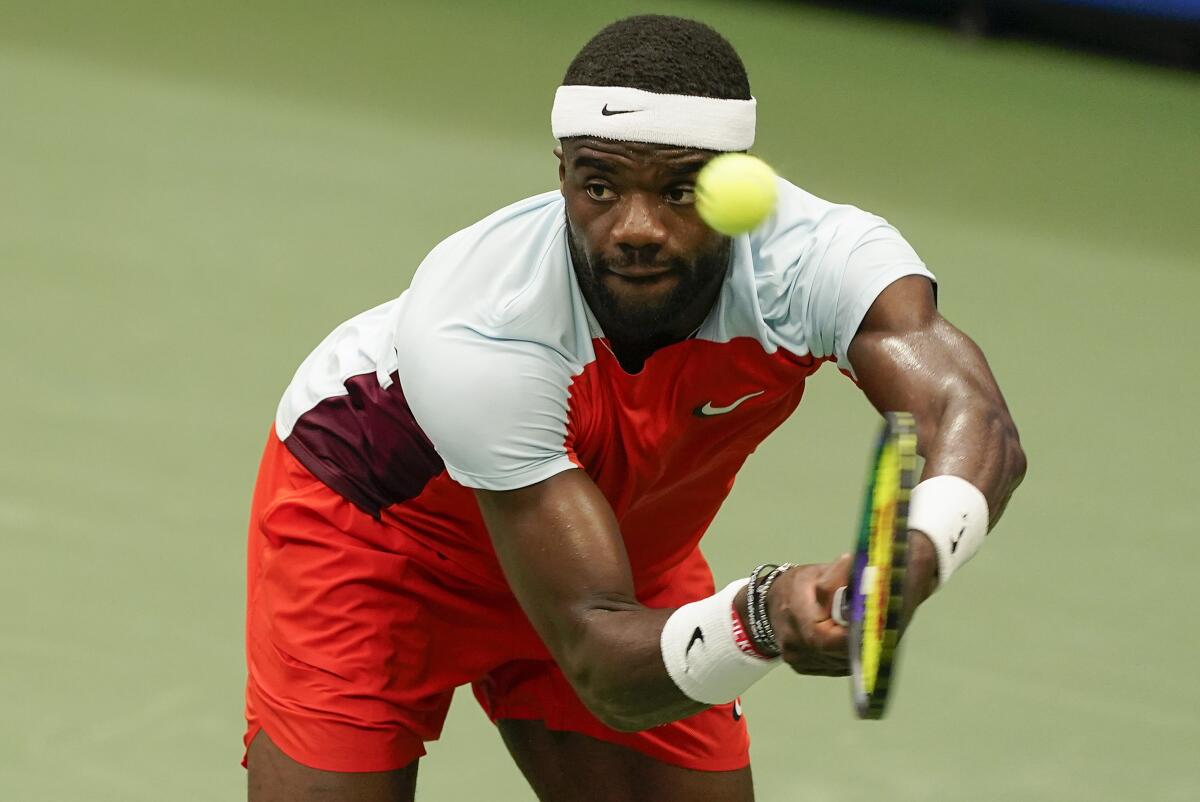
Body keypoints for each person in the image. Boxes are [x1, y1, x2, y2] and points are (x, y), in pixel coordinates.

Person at [243, 14, 1026, 802]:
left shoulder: (813, 259)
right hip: (381, 541)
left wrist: (916, 551)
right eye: (599, 186)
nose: (637, 230)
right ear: (560, 174)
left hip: (613, 548)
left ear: (734, 179)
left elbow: (971, 417)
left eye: (681, 189)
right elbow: (601, 664)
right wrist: (763, 613)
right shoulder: (484, 321)